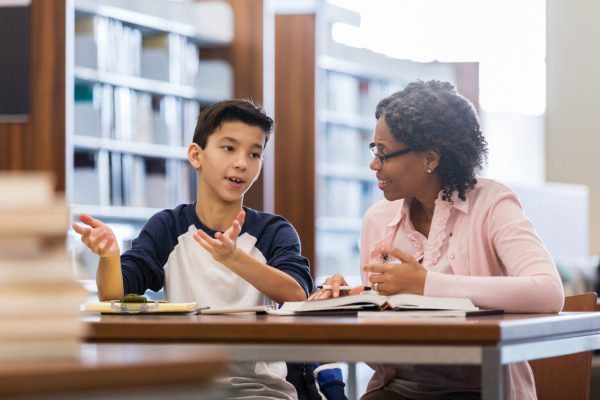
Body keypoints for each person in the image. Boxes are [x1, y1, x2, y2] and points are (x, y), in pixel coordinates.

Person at [311, 80, 564, 400]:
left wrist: (427, 285)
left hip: (480, 389)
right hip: (396, 390)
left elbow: (548, 291)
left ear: (430, 158)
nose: (374, 164)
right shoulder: (377, 220)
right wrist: (348, 299)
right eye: (374, 150)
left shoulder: (492, 203)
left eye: (384, 153)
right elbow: (381, 336)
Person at [72, 99, 313, 399]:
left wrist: (234, 259)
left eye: (255, 153)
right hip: (186, 386)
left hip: (258, 390)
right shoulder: (167, 227)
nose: (242, 162)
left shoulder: (274, 231)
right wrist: (108, 257)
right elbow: (114, 296)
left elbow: (297, 295)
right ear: (196, 155)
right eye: (229, 148)